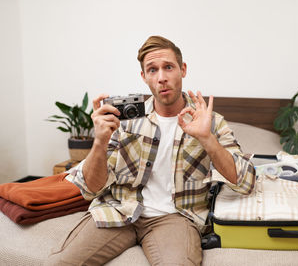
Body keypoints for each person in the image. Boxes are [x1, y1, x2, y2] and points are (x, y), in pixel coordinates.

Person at [46, 35, 255, 266]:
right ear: (143, 77)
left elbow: (245, 181)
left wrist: (207, 138)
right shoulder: (124, 121)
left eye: (168, 67)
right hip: (120, 209)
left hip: (175, 218)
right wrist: (100, 142)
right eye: (152, 70)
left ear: (182, 69)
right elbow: (91, 188)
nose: (162, 78)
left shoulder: (210, 122)